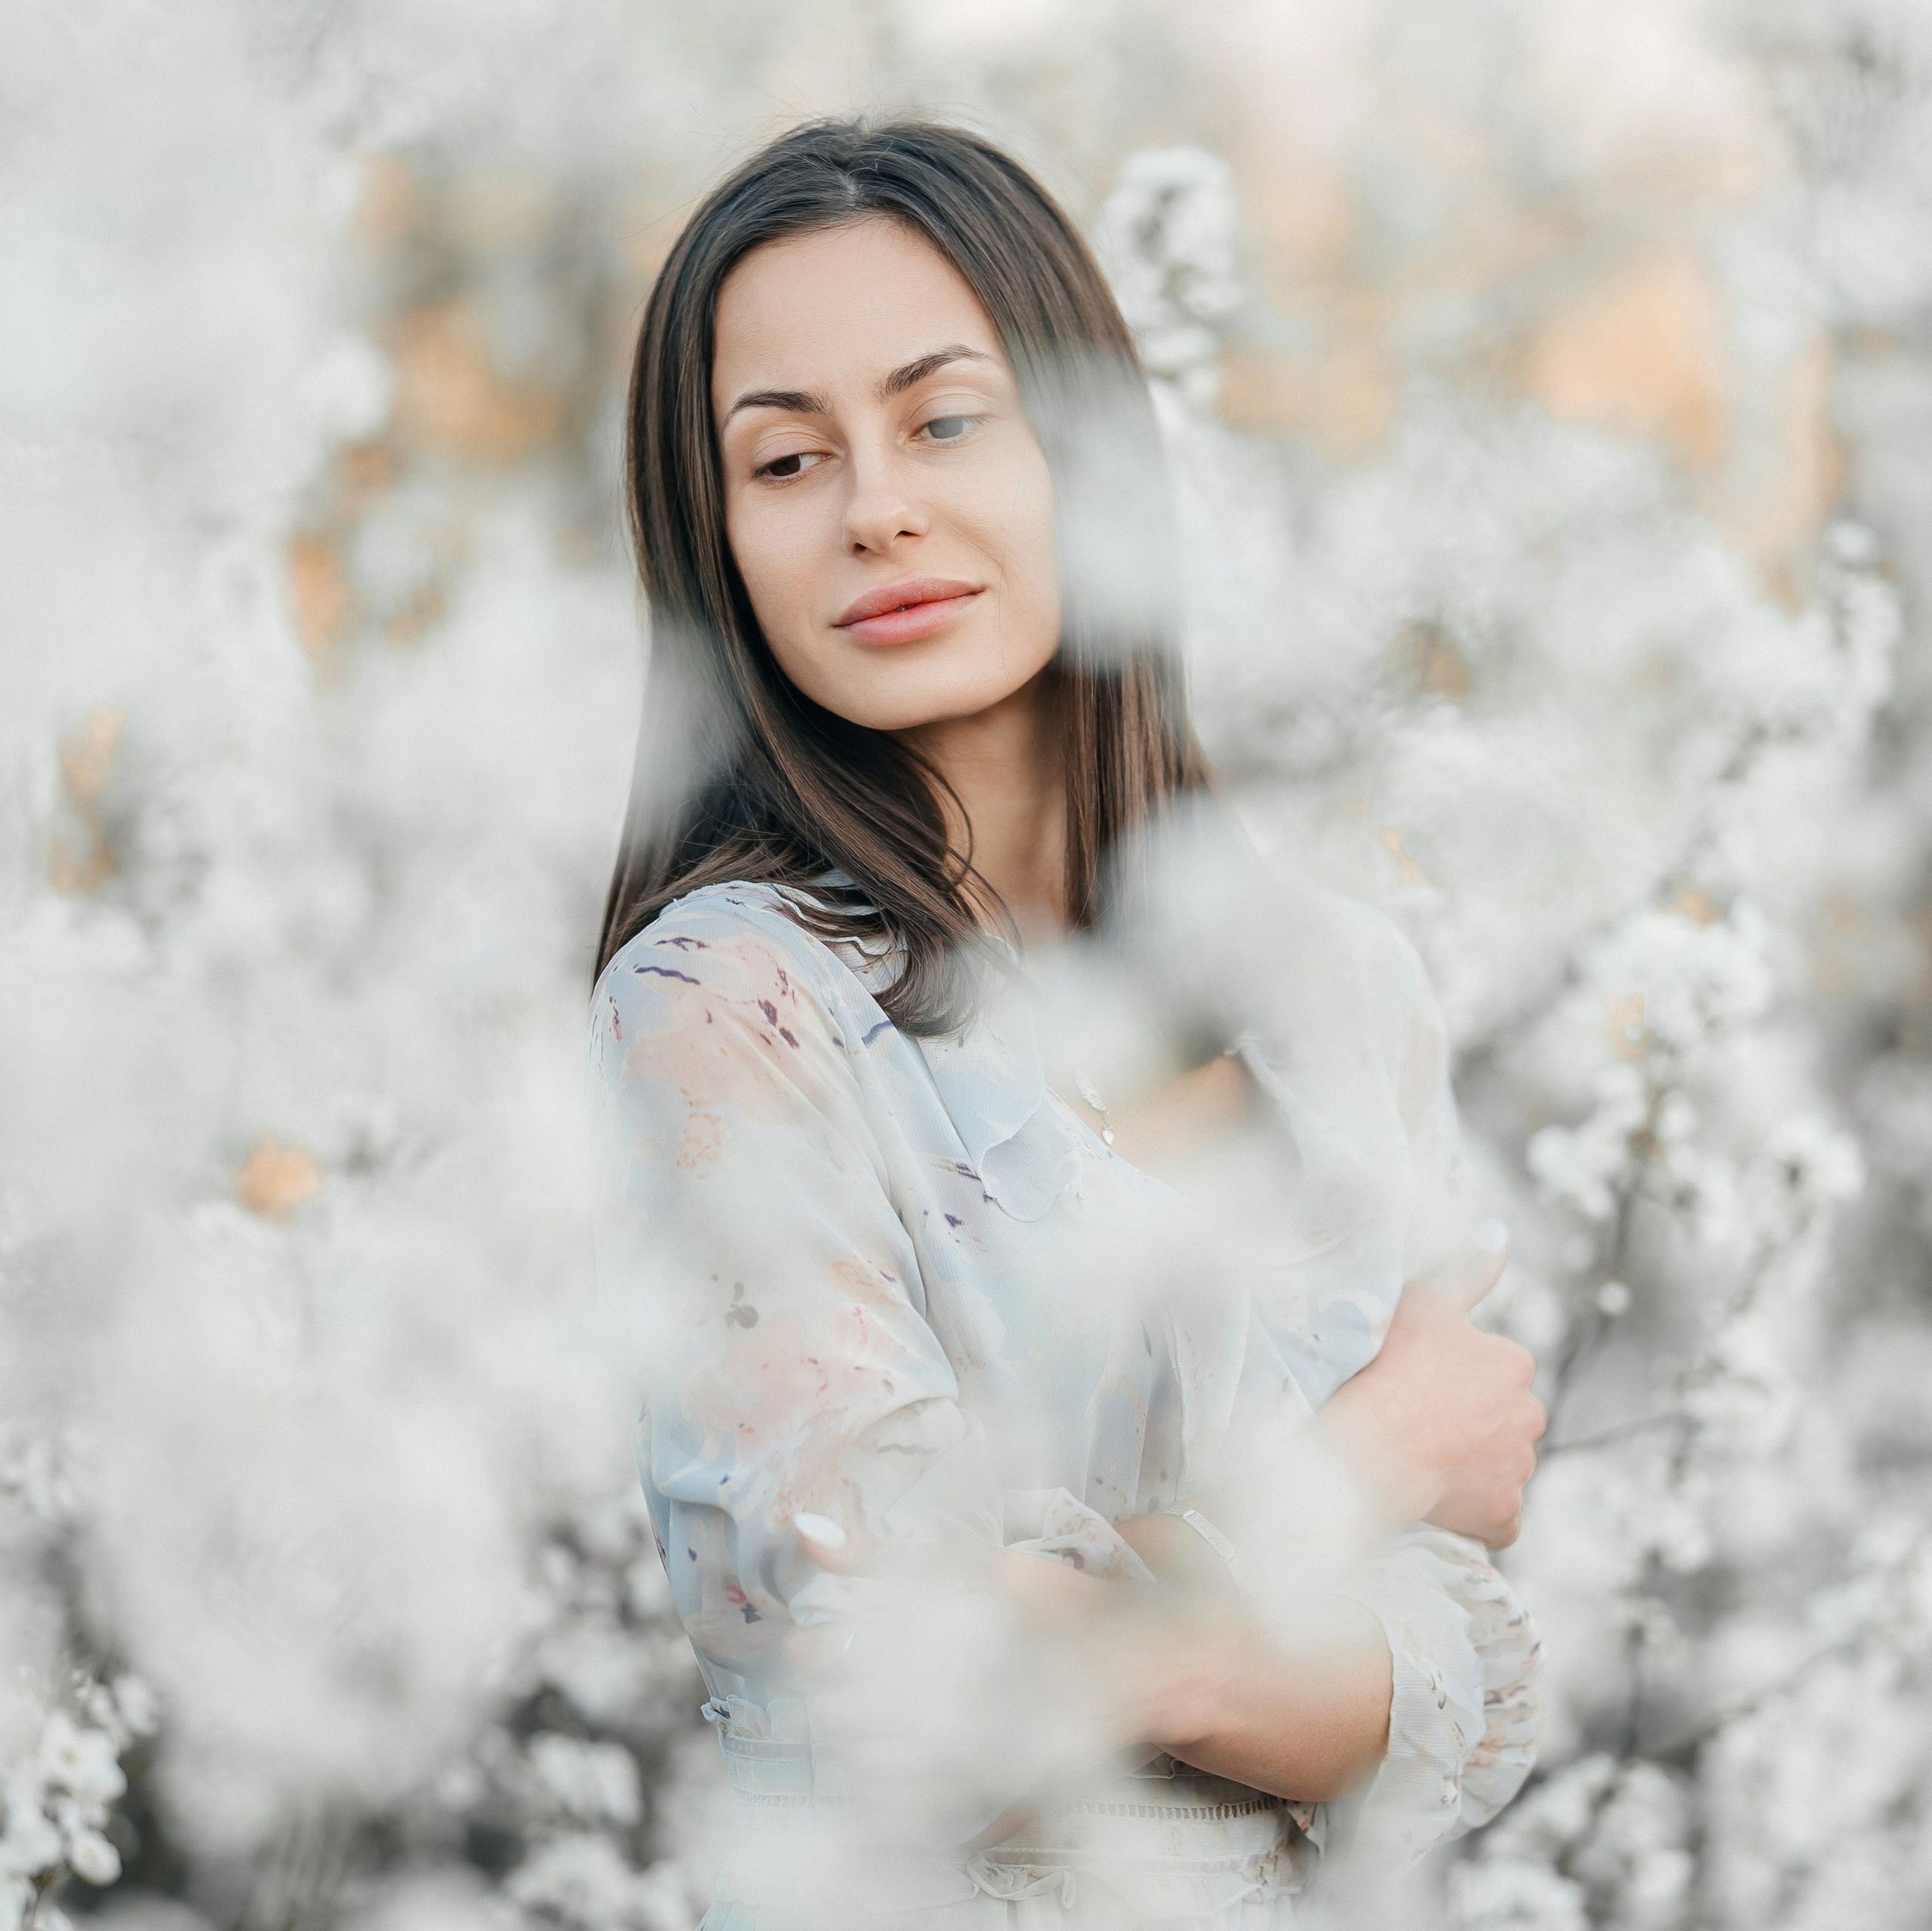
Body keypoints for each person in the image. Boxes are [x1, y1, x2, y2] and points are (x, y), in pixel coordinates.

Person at [586, 117, 1545, 1927]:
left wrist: (1145, 1638)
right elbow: (910, 1678)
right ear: (717, 544)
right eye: (786, 458)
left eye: (945, 418)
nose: (874, 502)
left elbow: (1478, 1675)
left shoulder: (1333, 993)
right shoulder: (734, 1006)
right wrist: (1350, 1471)